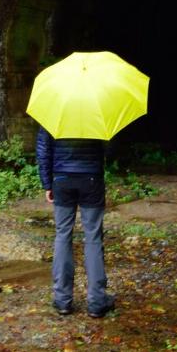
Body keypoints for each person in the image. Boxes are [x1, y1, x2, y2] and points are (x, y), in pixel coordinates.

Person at [36, 125, 116, 318]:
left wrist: (47, 183)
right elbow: (110, 150)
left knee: (63, 235)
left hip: (62, 179)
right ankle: (97, 301)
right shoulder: (98, 110)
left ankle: (62, 300)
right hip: (91, 179)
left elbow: (43, 149)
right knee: (93, 237)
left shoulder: (54, 110)